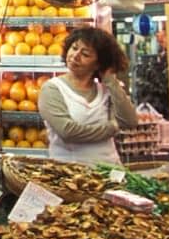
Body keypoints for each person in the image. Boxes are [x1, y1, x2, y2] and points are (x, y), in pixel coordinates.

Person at [38, 26, 140, 165]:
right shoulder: (52, 89)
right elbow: (68, 132)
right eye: (74, 48)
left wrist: (110, 80)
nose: (75, 56)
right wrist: (112, 128)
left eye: (85, 54)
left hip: (109, 171)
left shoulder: (105, 90)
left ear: (98, 64)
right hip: (70, 173)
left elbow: (130, 121)